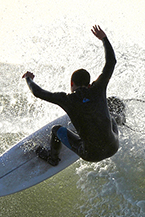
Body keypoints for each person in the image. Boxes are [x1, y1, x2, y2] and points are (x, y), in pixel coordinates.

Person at [22, 25, 119, 166]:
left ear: (72, 83)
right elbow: (111, 62)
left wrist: (28, 79)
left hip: (91, 154)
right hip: (113, 147)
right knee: (111, 117)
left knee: (56, 130)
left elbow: (38, 92)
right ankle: (120, 120)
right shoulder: (98, 88)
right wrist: (104, 39)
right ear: (89, 84)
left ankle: (52, 158)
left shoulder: (67, 99)